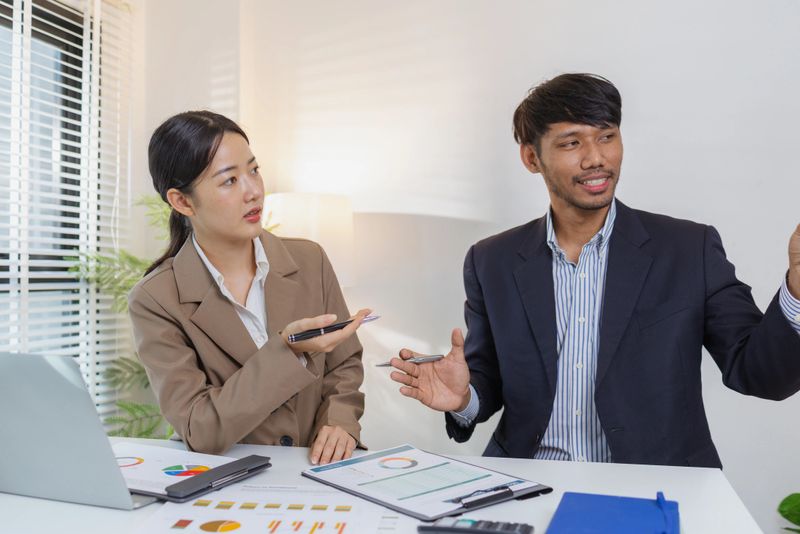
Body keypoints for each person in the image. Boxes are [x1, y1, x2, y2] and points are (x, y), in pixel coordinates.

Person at [388, 73, 800, 468]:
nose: (596, 158)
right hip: (531, 478)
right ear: (532, 157)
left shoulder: (689, 249)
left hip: (656, 480)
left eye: (607, 136)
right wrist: (464, 399)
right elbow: (488, 380)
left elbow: (761, 376)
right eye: (571, 143)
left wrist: (796, 292)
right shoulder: (491, 260)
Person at [128, 111, 369, 464]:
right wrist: (289, 350)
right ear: (182, 201)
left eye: (254, 170)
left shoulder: (310, 259)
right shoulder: (156, 300)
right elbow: (201, 428)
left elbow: (344, 364)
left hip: (326, 472)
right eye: (229, 181)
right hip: (233, 485)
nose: (254, 191)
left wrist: (339, 422)